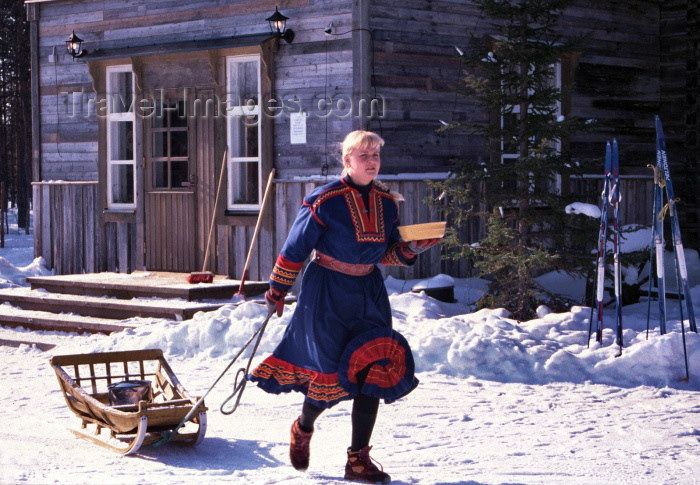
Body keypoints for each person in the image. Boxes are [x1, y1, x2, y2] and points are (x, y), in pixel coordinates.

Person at [249, 130, 441, 483]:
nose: (371, 161)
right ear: (347, 160)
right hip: (327, 292)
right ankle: (304, 428)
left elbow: (387, 252)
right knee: (327, 378)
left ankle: (357, 461)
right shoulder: (325, 201)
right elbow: (295, 249)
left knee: (374, 369)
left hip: (368, 291)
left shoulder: (386, 202)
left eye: (376, 156)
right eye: (363, 155)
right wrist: (277, 288)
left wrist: (414, 248)